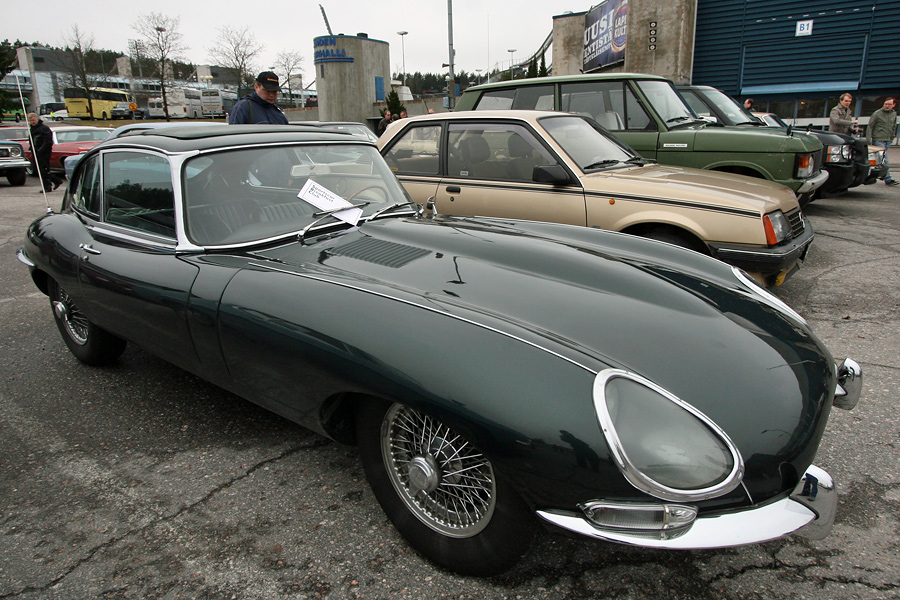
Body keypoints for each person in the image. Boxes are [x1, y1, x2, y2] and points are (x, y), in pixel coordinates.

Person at [27, 112, 63, 192]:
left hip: (43, 152)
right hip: (35, 151)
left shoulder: (44, 128)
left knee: (43, 169)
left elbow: (48, 141)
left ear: (37, 119)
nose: (32, 122)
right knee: (37, 170)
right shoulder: (32, 129)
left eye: (33, 120)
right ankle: (55, 181)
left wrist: (41, 150)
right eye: (31, 120)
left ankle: (48, 186)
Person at [866, 97, 898, 186]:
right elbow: (870, 126)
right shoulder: (877, 113)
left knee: (878, 160)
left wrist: (892, 138)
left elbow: (894, 126)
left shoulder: (894, 114)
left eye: (889, 104)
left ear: (894, 105)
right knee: (884, 160)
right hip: (878, 139)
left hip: (887, 140)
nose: (887, 106)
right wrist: (869, 140)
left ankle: (873, 175)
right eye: (885, 104)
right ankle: (888, 179)